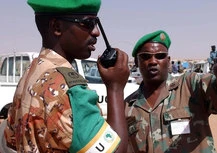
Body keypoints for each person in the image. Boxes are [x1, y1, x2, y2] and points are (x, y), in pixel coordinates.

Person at [0, 0, 129, 152]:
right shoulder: (71, 90)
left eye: (96, 23)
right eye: (88, 23)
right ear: (57, 27)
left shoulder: (32, 72)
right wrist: (115, 88)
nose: (96, 32)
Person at [125, 30, 217, 152]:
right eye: (145, 56)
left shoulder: (189, 85)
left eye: (160, 56)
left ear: (168, 60)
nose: (153, 61)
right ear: (136, 62)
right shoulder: (128, 107)